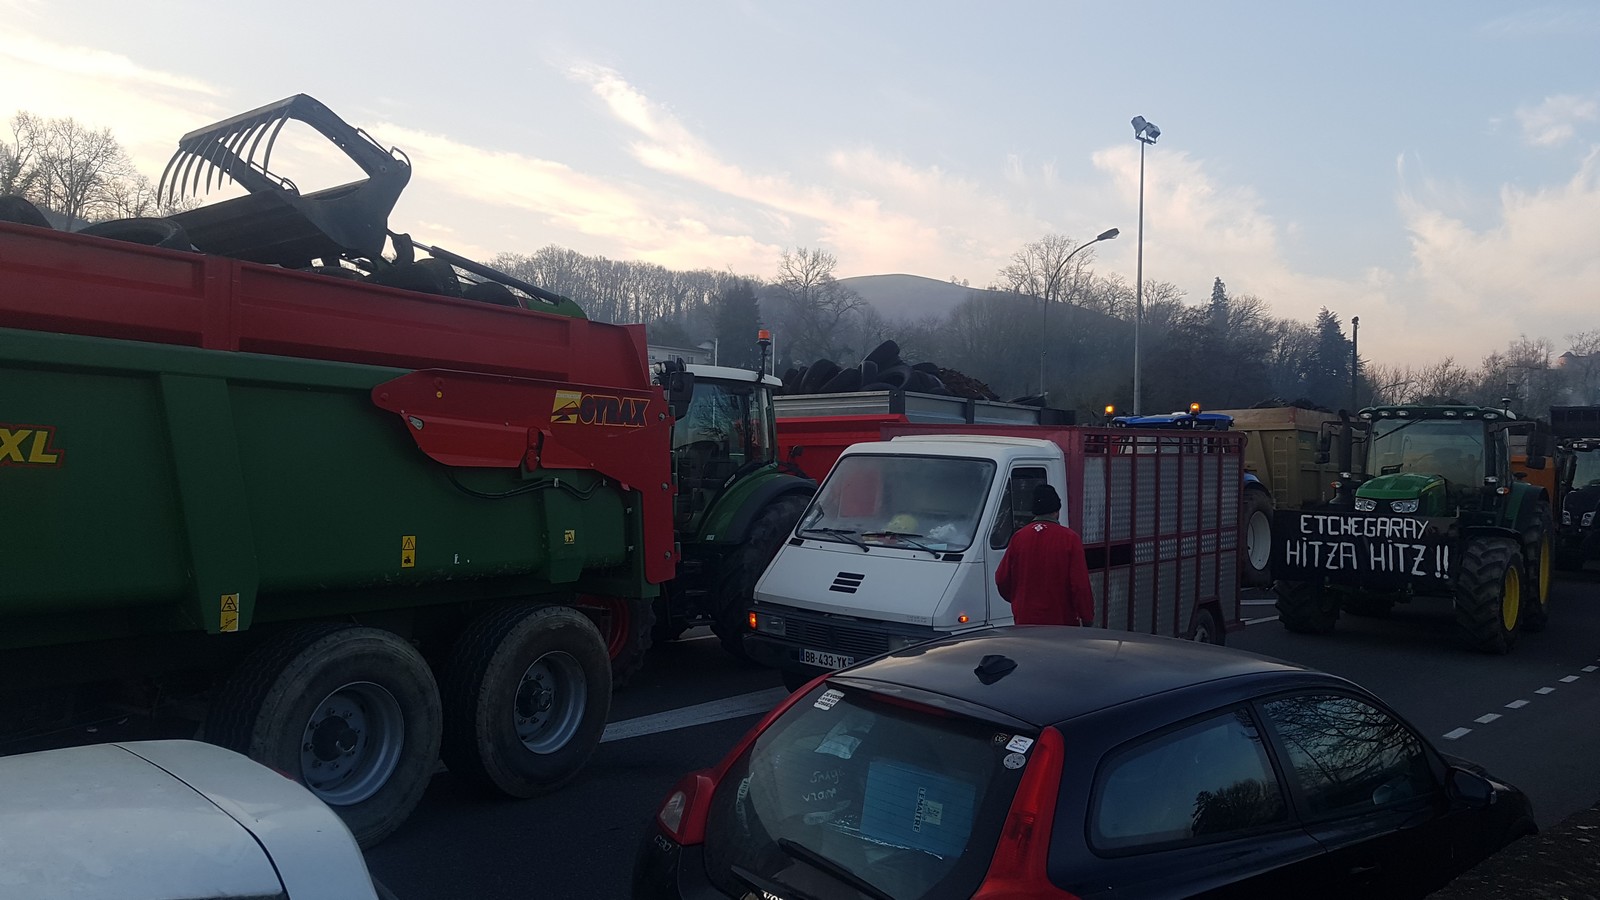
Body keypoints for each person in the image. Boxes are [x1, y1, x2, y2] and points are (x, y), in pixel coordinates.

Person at [994, 484, 1094, 626]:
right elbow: (1080, 585)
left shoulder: (1018, 538)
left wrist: (1018, 600)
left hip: (1025, 621)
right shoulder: (1070, 539)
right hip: (1061, 623)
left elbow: (1002, 578)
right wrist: (1087, 617)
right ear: (1057, 511)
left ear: (1035, 511)